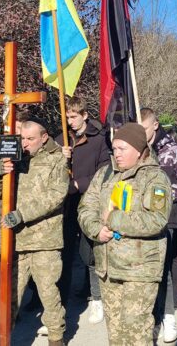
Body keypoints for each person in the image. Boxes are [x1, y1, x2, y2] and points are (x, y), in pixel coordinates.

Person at [77, 122, 172, 346]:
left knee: (136, 333)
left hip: (139, 270)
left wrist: (113, 219)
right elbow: (85, 208)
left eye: (122, 149)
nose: (116, 154)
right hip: (108, 267)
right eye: (115, 148)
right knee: (117, 334)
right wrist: (96, 229)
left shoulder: (155, 179)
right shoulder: (105, 174)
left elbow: (156, 220)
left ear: (139, 150)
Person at [0, 118, 69, 346]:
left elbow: (55, 196)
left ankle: (56, 338)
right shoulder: (13, 156)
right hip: (15, 239)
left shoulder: (57, 159)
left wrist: (22, 213)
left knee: (48, 293)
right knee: (8, 294)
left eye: (30, 139)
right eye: (22, 138)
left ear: (44, 138)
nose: (24, 143)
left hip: (45, 239)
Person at [141, 108, 177, 343]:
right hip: (141, 219)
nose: (140, 134)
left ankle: (169, 317)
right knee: (149, 269)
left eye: (144, 129)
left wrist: (161, 196)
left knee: (166, 265)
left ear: (154, 125)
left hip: (168, 216)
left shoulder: (171, 150)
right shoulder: (138, 150)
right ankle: (152, 317)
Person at [55, 96, 110, 323]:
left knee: (89, 253)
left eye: (74, 116)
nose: (70, 121)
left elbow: (105, 170)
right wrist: (60, 157)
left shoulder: (99, 139)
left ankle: (96, 298)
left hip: (89, 204)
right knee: (65, 253)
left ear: (85, 115)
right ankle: (61, 305)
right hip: (67, 207)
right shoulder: (60, 140)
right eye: (67, 116)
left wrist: (79, 184)